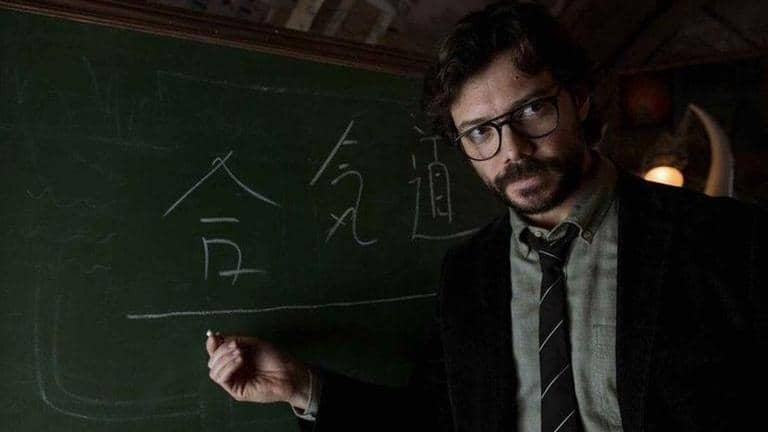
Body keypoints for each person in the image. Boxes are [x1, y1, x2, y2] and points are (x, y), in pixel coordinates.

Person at [205, 2, 767, 431]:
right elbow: (434, 421)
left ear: (580, 98)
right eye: (480, 132)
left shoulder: (729, 241)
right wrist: (301, 385)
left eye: (532, 109)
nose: (512, 150)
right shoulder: (469, 275)